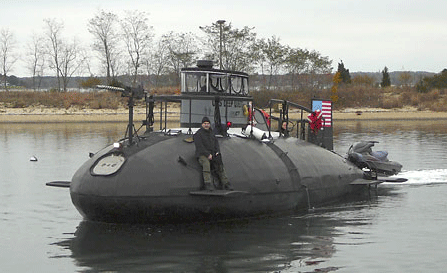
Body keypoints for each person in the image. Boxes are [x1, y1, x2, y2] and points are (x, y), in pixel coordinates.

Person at [194, 116, 233, 191]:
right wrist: (208, 155)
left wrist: (217, 152)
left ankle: (226, 183)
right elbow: (200, 147)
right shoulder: (198, 134)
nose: (206, 125)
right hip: (202, 155)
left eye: (208, 123)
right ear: (202, 124)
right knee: (206, 164)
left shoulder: (211, 133)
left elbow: (216, 144)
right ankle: (207, 184)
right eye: (205, 123)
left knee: (219, 164)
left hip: (212, 154)